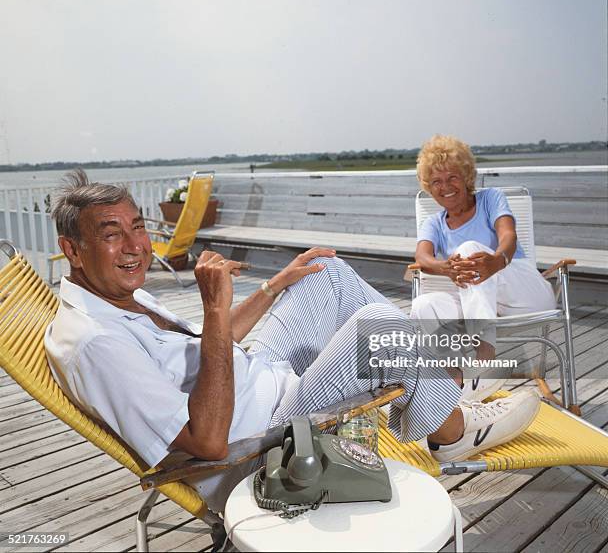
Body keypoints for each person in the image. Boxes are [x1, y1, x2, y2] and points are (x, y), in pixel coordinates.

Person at [44, 170, 540, 512]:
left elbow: (207, 351)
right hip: (261, 442)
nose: (136, 247)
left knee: (326, 273)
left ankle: (439, 381)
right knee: (374, 324)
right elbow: (208, 442)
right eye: (112, 235)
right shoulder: (95, 343)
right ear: (74, 250)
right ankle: (452, 431)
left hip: (259, 377)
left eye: (137, 227)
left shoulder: (117, 298)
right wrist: (215, 310)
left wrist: (274, 285)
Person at [411, 135, 556, 400]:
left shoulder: (491, 199)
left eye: (452, 177)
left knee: (468, 250)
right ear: (430, 188)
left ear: (466, 176)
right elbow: (422, 257)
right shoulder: (434, 223)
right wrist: (447, 268)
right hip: (481, 304)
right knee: (424, 306)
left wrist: (497, 260)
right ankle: (456, 384)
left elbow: (508, 236)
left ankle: (484, 358)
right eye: (436, 182)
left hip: (524, 293)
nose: (446, 187)